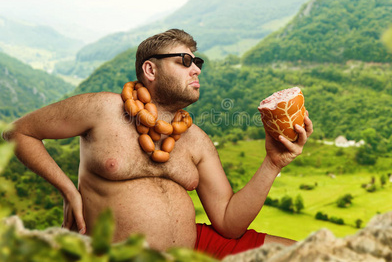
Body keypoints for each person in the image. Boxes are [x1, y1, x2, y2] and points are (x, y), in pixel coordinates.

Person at [3, 29, 313, 260]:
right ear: (150, 70)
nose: (197, 69)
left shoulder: (197, 141)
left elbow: (230, 223)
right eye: (185, 61)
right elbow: (18, 132)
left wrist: (273, 162)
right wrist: (68, 190)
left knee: (319, 255)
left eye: (198, 62)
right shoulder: (102, 109)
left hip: (193, 250)